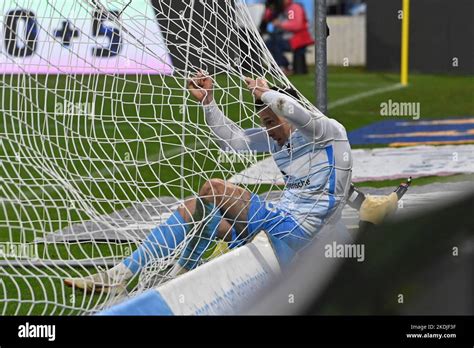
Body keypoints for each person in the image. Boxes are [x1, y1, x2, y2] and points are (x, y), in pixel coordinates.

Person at [64, 72, 397, 294]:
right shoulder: (278, 143)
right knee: (195, 208)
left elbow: (296, 112)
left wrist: (269, 93)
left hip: (299, 233)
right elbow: (233, 142)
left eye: (272, 121)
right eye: (264, 123)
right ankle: (121, 274)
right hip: (278, 227)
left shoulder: (328, 132)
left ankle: (181, 272)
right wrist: (209, 103)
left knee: (214, 189)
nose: (269, 130)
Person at [263, 0, 314, 74]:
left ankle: (284, 66)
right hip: (288, 38)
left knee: (275, 42)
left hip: (298, 38)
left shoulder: (292, 8)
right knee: (270, 43)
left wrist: (280, 24)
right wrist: (269, 7)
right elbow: (267, 18)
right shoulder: (282, 8)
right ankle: (284, 65)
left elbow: (296, 24)